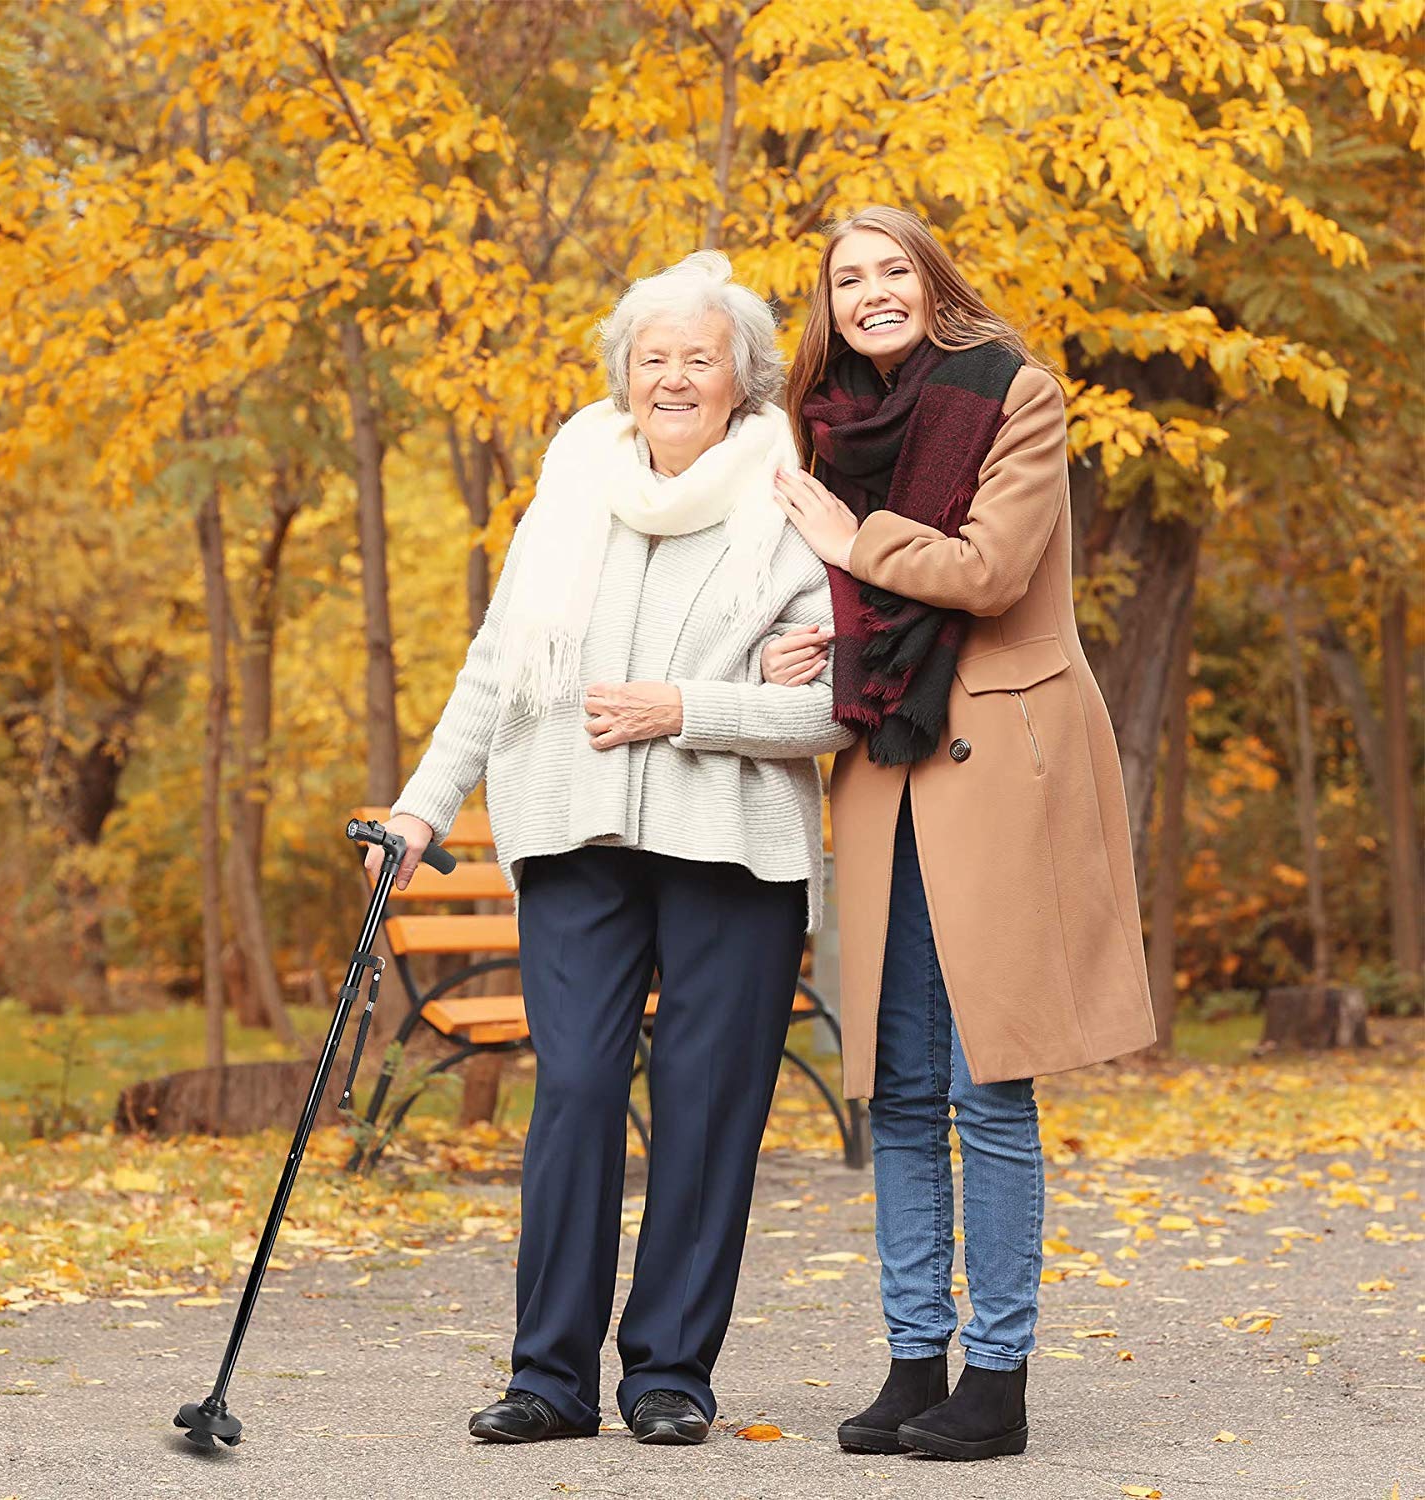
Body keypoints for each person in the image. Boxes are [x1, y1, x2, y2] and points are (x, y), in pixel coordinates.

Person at [366, 252, 853, 1448]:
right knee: (577, 1088)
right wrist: (422, 808)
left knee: (708, 1105)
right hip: (571, 833)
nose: (674, 378)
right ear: (624, 375)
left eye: (700, 359)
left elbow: (839, 708)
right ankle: (549, 1376)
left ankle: (669, 1374)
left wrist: (685, 709)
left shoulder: (794, 506)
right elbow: (496, 667)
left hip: (732, 845)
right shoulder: (571, 489)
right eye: (653, 358)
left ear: (742, 379)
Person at [766, 206, 1156, 1462]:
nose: (873, 292)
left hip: (999, 756)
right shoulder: (828, 428)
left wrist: (852, 541)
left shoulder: (1013, 394)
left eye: (895, 270)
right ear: (829, 309)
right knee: (897, 1084)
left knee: (990, 1083)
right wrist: (810, 640)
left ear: (933, 284)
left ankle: (997, 1380)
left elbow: (989, 573)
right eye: (849, 280)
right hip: (889, 759)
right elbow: (849, 593)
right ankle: (911, 1360)